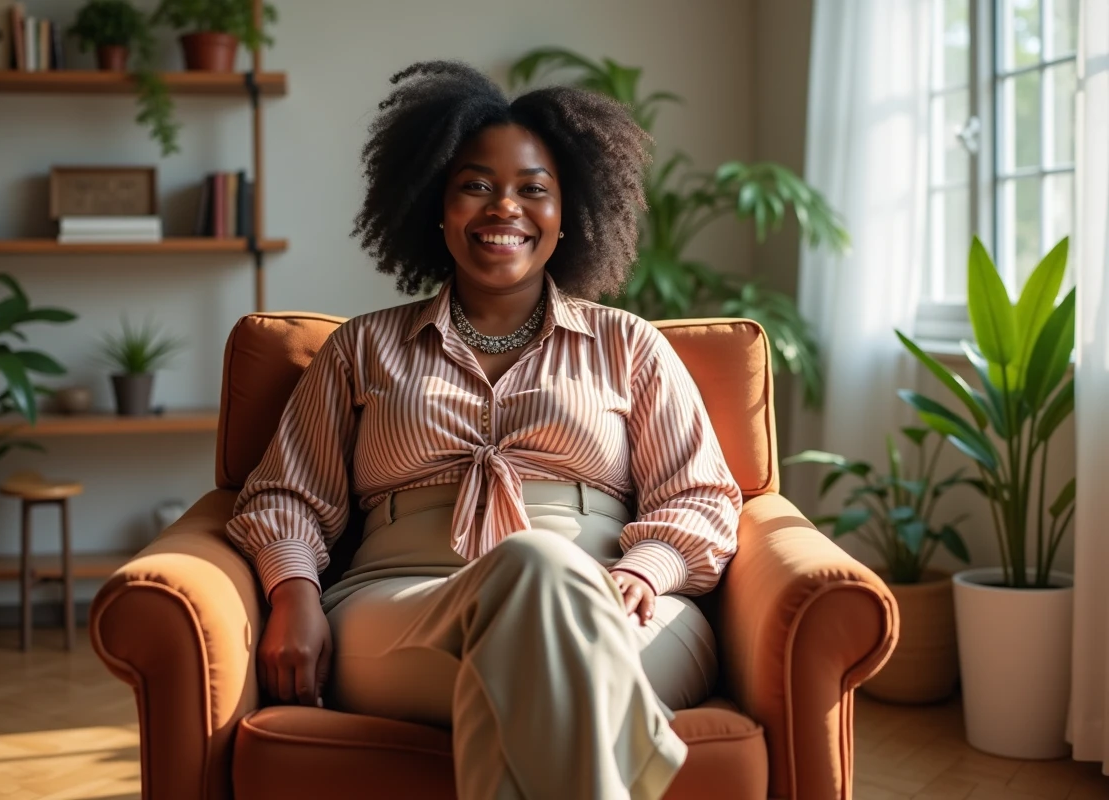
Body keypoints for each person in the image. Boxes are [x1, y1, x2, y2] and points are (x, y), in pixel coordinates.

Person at [225, 60, 743, 800]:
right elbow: (286, 494)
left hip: (620, 605)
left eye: (534, 189)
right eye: (476, 185)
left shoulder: (630, 346)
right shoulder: (360, 350)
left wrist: (644, 571)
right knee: (538, 588)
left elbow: (702, 499)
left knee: (540, 584)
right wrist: (293, 595)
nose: (505, 207)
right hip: (401, 609)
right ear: (435, 202)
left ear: (571, 215)